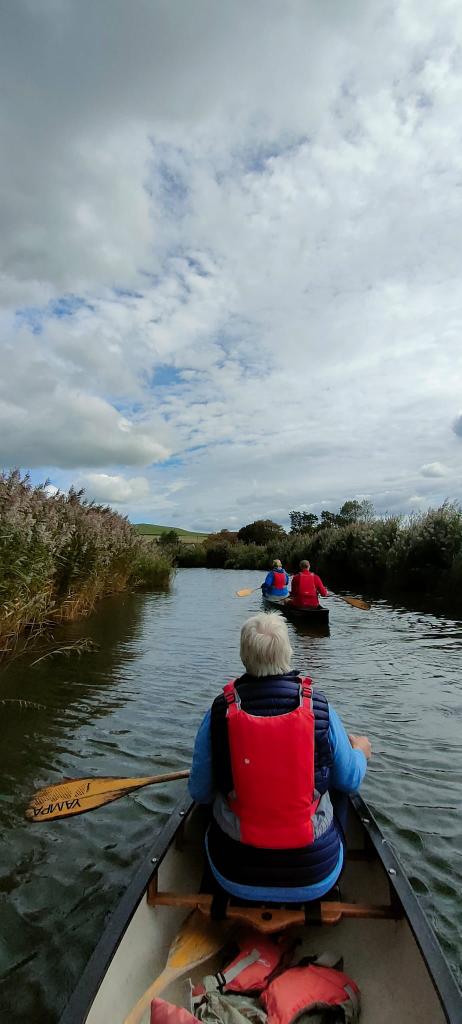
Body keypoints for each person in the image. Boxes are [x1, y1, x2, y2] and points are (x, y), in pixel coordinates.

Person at [189, 612, 371, 903]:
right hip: (315, 877)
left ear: (243, 656)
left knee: (213, 798)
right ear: (288, 652)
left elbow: (199, 791)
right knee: (338, 785)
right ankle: (335, 885)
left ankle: (210, 880)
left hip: (233, 874)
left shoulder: (219, 711)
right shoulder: (319, 706)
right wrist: (360, 751)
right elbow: (349, 780)